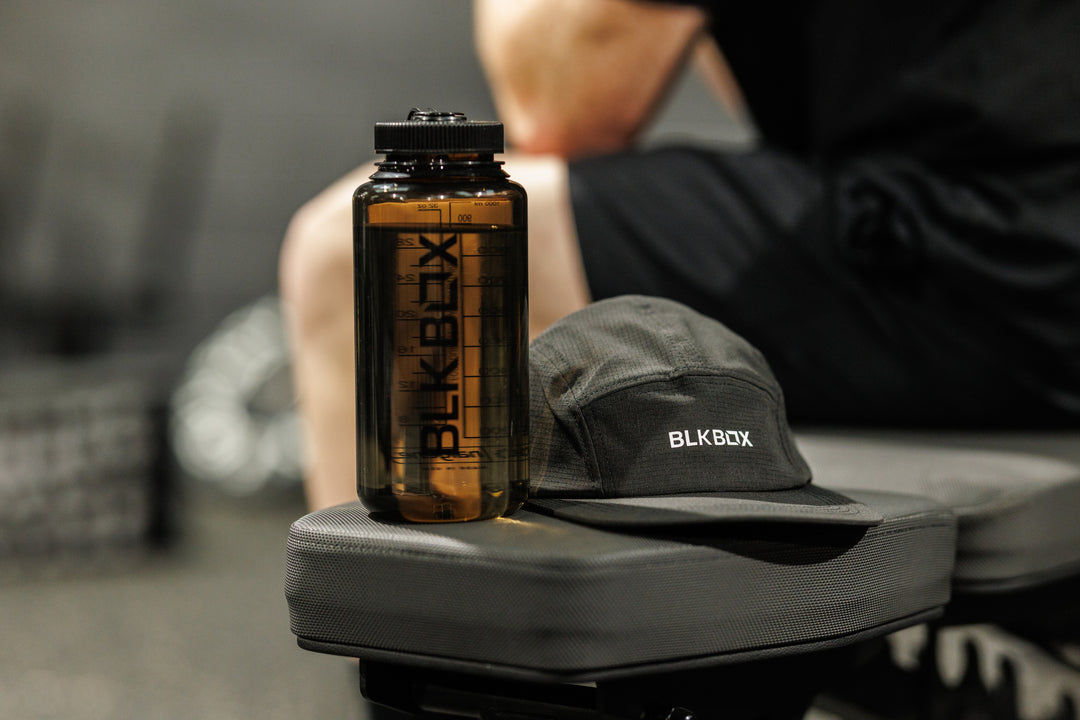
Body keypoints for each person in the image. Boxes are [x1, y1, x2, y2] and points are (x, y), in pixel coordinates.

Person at [280, 0, 1080, 511]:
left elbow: (557, 101)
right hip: (1001, 228)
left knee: (360, 256)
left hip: (1001, 250)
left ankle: (418, 671)